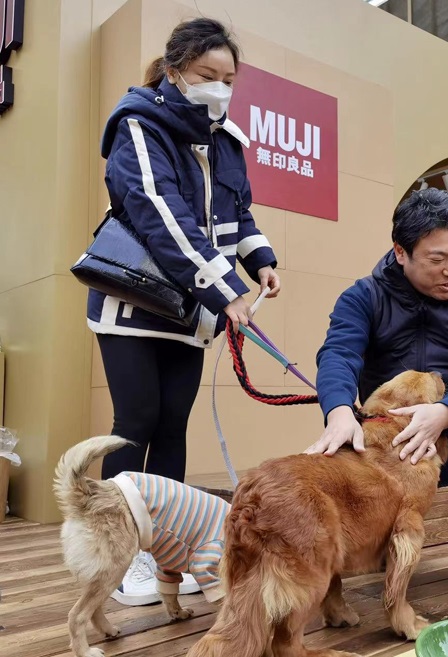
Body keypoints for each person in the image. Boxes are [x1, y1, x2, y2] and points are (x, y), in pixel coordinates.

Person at [86, 18, 280, 606]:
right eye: (206, 76)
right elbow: (162, 219)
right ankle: (115, 554)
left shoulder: (226, 139)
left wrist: (260, 258)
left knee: (172, 427)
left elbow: (236, 214)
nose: (219, 89)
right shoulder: (138, 126)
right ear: (175, 72)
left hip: (189, 309)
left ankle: (166, 554)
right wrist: (226, 294)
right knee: (135, 423)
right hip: (136, 301)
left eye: (228, 79)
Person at [307, 188, 448, 596]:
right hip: (386, 442)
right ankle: (369, 544)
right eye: (437, 259)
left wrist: (445, 412)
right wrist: (338, 409)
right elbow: (338, 353)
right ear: (401, 252)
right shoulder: (364, 296)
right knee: (330, 458)